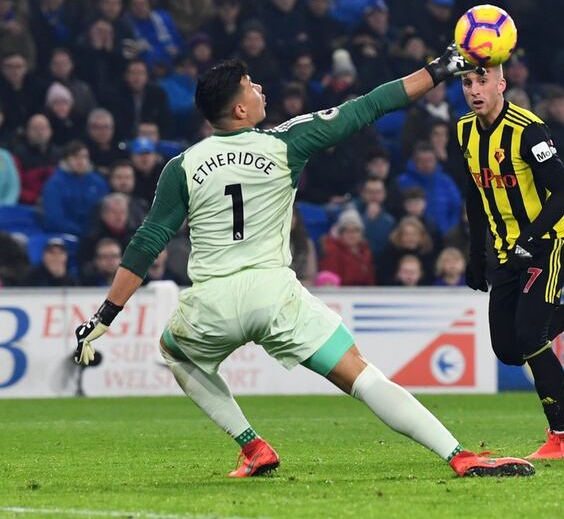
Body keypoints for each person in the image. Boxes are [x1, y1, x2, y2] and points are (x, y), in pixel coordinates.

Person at [70, 46, 536, 479]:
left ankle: (252, 446)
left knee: (175, 352)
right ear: (238, 110)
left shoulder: (182, 166)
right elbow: (369, 106)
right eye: (252, 88)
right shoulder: (286, 142)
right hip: (276, 297)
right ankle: (459, 455)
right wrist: (437, 71)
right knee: (361, 374)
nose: (260, 91)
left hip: (212, 302)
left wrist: (106, 314)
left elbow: (148, 241)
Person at [456, 64, 564, 460]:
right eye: (468, 83)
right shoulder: (464, 129)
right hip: (503, 252)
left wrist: (529, 238)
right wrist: (476, 254)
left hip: (546, 245)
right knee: (508, 351)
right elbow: (474, 192)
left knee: (531, 339)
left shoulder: (528, 130)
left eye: (482, 81)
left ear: (501, 85)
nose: (474, 90)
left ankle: (563, 439)